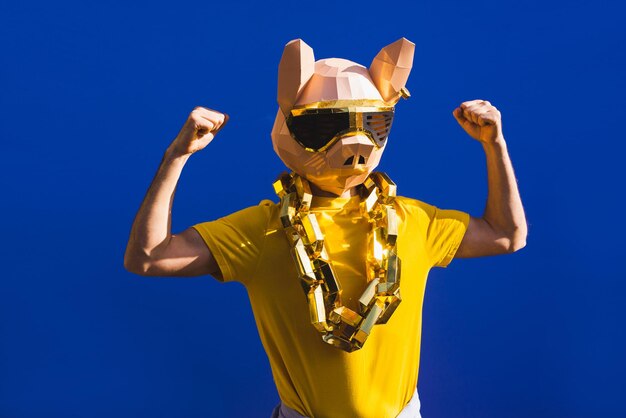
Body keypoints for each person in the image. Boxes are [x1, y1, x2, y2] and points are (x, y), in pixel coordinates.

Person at [124, 38, 527, 418]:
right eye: (325, 127)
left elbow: (507, 235)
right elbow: (148, 257)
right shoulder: (261, 231)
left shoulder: (411, 221)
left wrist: (495, 145)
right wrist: (176, 157)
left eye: (374, 124)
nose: (356, 147)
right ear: (290, 128)